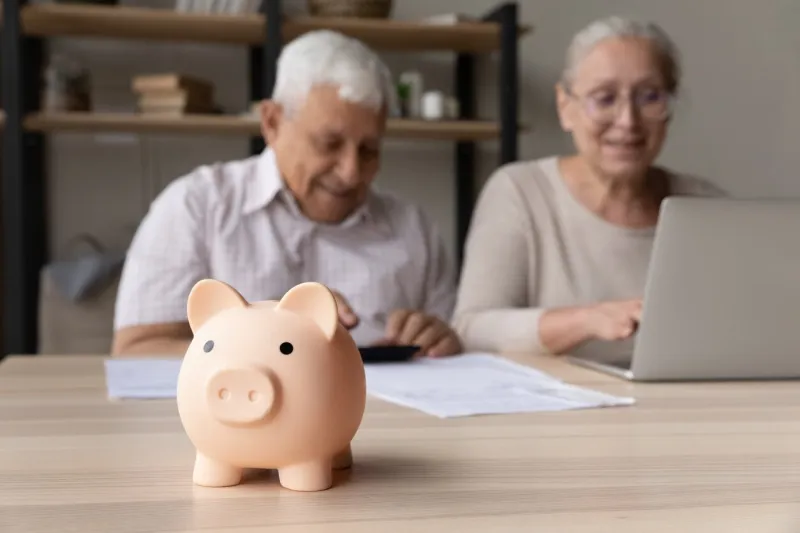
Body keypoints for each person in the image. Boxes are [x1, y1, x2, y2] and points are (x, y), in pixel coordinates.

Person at [112, 30, 461, 358]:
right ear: (272, 123)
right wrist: (268, 335)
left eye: (369, 149)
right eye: (329, 144)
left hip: (387, 420)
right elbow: (136, 352)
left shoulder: (415, 229)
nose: (351, 171)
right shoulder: (196, 207)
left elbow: (453, 349)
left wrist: (440, 339)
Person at [452, 16, 724, 361]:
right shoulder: (520, 191)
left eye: (650, 96)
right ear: (566, 107)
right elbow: (472, 329)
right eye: (605, 98)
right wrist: (587, 319)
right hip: (557, 412)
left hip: (688, 410)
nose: (627, 121)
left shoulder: (706, 205)